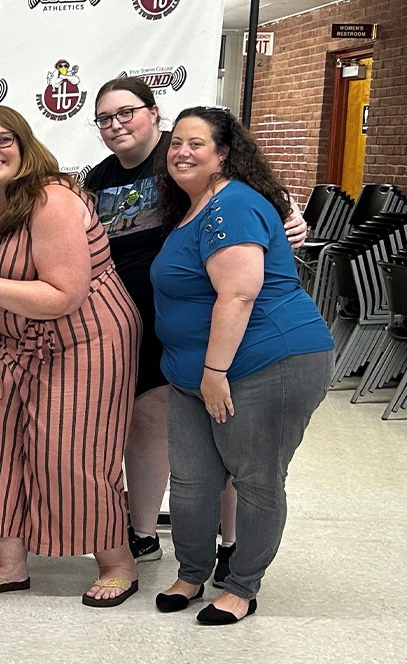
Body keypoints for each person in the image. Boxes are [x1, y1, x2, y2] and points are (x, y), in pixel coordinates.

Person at [83, 78, 309, 584]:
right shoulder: (96, 180)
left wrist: (289, 214)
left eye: (127, 112)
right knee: (150, 426)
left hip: (216, 326)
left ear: (154, 112)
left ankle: (232, 544)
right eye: (104, 118)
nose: (116, 124)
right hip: (136, 321)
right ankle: (142, 531)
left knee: (225, 436)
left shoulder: (184, 153)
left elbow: (254, 198)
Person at [0, 105, 142, 607]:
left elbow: (64, 295)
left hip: (88, 339)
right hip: (16, 344)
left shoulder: (52, 199)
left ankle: (119, 563)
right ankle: (10, 564)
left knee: (72, 451)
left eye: (4, 140)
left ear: (25, 144)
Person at [150, 106, 333, 624]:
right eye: (176, 143)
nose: (182, 152)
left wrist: (213, 374)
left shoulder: (233, 205)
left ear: (224, 152)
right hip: (195, 373)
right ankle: (191, 573)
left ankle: (241, 586)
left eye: (196, 144)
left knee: (255, 479)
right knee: (190, 481)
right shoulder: (194, 205)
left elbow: (237, 294)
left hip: (263, 362)